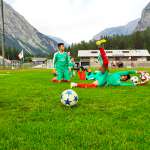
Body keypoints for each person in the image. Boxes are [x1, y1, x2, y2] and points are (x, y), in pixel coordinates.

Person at [71, 39, 149, 88]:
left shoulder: (119, 83)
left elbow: (130, 85)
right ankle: (100, 48)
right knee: (106, 63)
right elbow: (129, 71)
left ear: (125, 80)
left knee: (91, 85)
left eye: (126, 78)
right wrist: (139, 71)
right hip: (104, 74)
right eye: (125, 76)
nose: (124, 77)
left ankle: (75, 84)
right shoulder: (118, 74)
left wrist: (140, 83)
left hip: (103, 81)